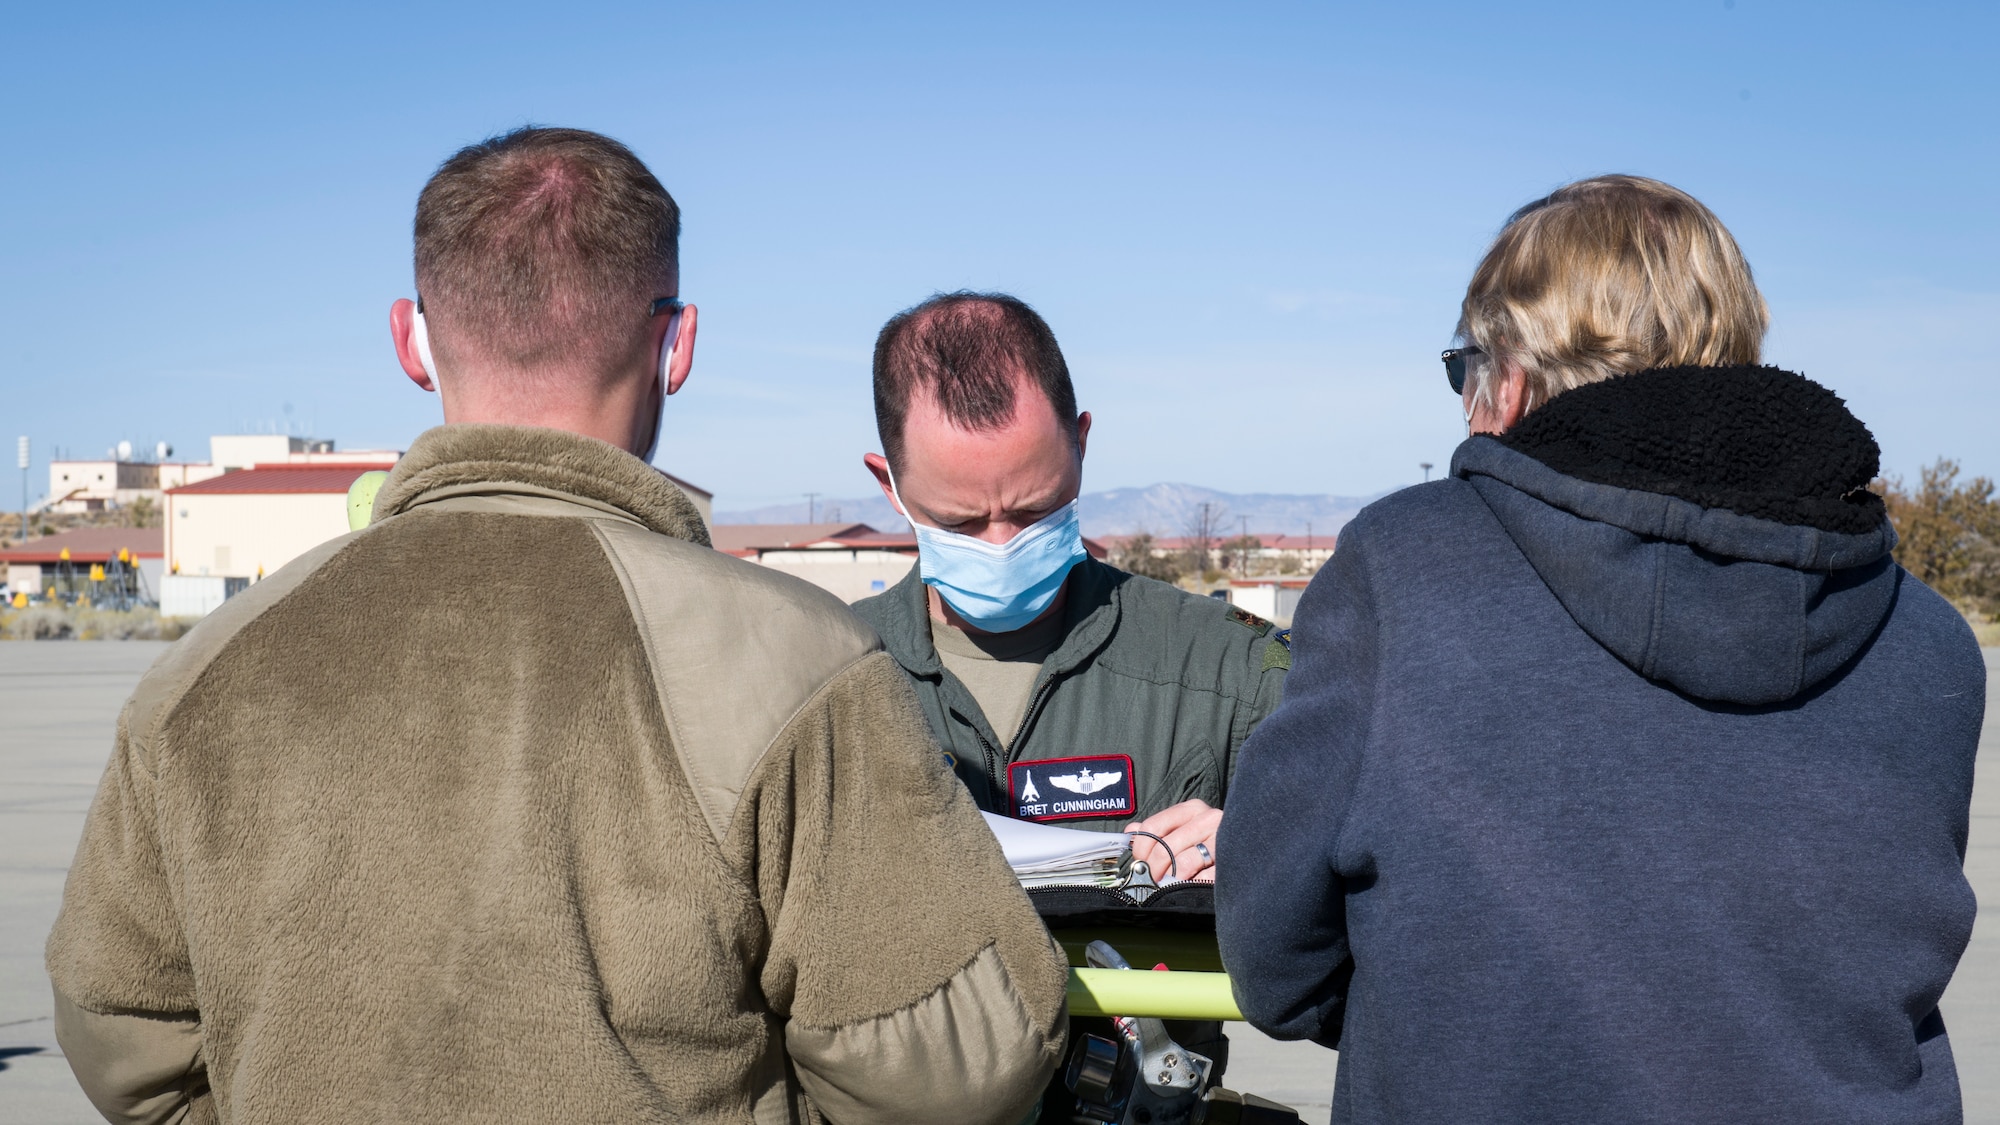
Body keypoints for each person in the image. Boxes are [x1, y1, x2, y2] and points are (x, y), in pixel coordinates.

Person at [46, 127, 1068, 1125]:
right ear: (677, 344)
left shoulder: (200, 677)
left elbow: (122, 1043)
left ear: (409, 340)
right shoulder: (795, 664)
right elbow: (952, 1072)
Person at [1217, 175, 1986, 1124]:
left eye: (1467, 371)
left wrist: (1450, 1023)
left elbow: (1275, 958)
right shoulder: (1929, 638)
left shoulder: (1408, 568)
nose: (1465, 411)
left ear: (1513, 376)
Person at [852, 292, 1290, 882]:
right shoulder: (822, 675)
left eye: (1035, 510)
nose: (1001, 544)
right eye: (960, 522)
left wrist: (1265, 849)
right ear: (890, 485)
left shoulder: (1231, 671)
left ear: (1081, 444)